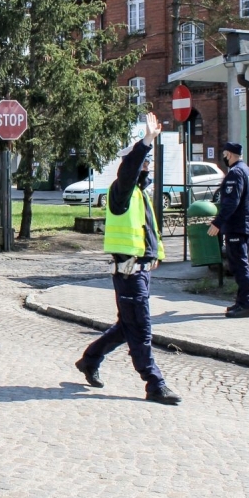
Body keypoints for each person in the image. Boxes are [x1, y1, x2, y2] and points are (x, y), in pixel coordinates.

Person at [74, 112, 182, 405]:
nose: (147, 166)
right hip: (128, 272)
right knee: (140, 327)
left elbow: (147, 231)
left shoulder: (138, 194)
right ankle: (154, 383)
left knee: (127, 326)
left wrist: (155, 255)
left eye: (148, 162)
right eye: (144, 162)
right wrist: (146, 142)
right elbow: (130, 170)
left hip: (140, 270)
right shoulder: (120, 191)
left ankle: (90, 359)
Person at [206, 142, 249, 318]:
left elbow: (231, 202)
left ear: (229, 154)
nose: (224, 157)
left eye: (225, 154)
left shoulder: (235, 173)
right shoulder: (247, 170)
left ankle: (247, 305)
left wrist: (217, 223)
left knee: (240, 265)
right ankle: (242, 302)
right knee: (239, 264)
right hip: (244, 224)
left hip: (237, 226)